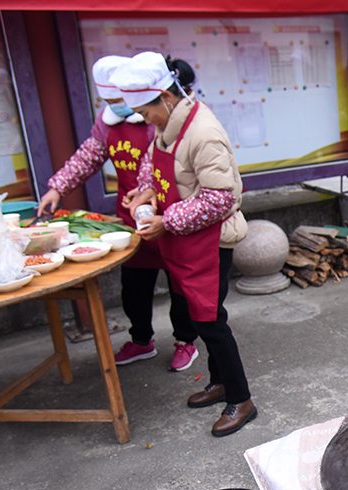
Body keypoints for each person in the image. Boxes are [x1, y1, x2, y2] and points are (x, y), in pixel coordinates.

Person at [110, 52, 254, 437]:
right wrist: (143, 192)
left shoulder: (202, 132)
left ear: (166, 97)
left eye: (145, 111)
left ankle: (241, 399)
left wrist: (166, 220)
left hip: (211, 242)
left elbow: (220, 198)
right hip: (187, 241)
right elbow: (152, 165)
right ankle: (220, 381)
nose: (144, 119)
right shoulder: (169, 124)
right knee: (196, 317)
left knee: (210, 321)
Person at [37, 55, 199, 372]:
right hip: (131, 221)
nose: (118, 106)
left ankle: (186, 340)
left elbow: (154, 164)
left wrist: (145, 193)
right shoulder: (107, 121)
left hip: (167, 216)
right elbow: (88, 157)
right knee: (134, 286)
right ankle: (141, 340)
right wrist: (57, 187)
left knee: (180, 286)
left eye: (121, 100)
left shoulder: (159, 116)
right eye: (110, 101)